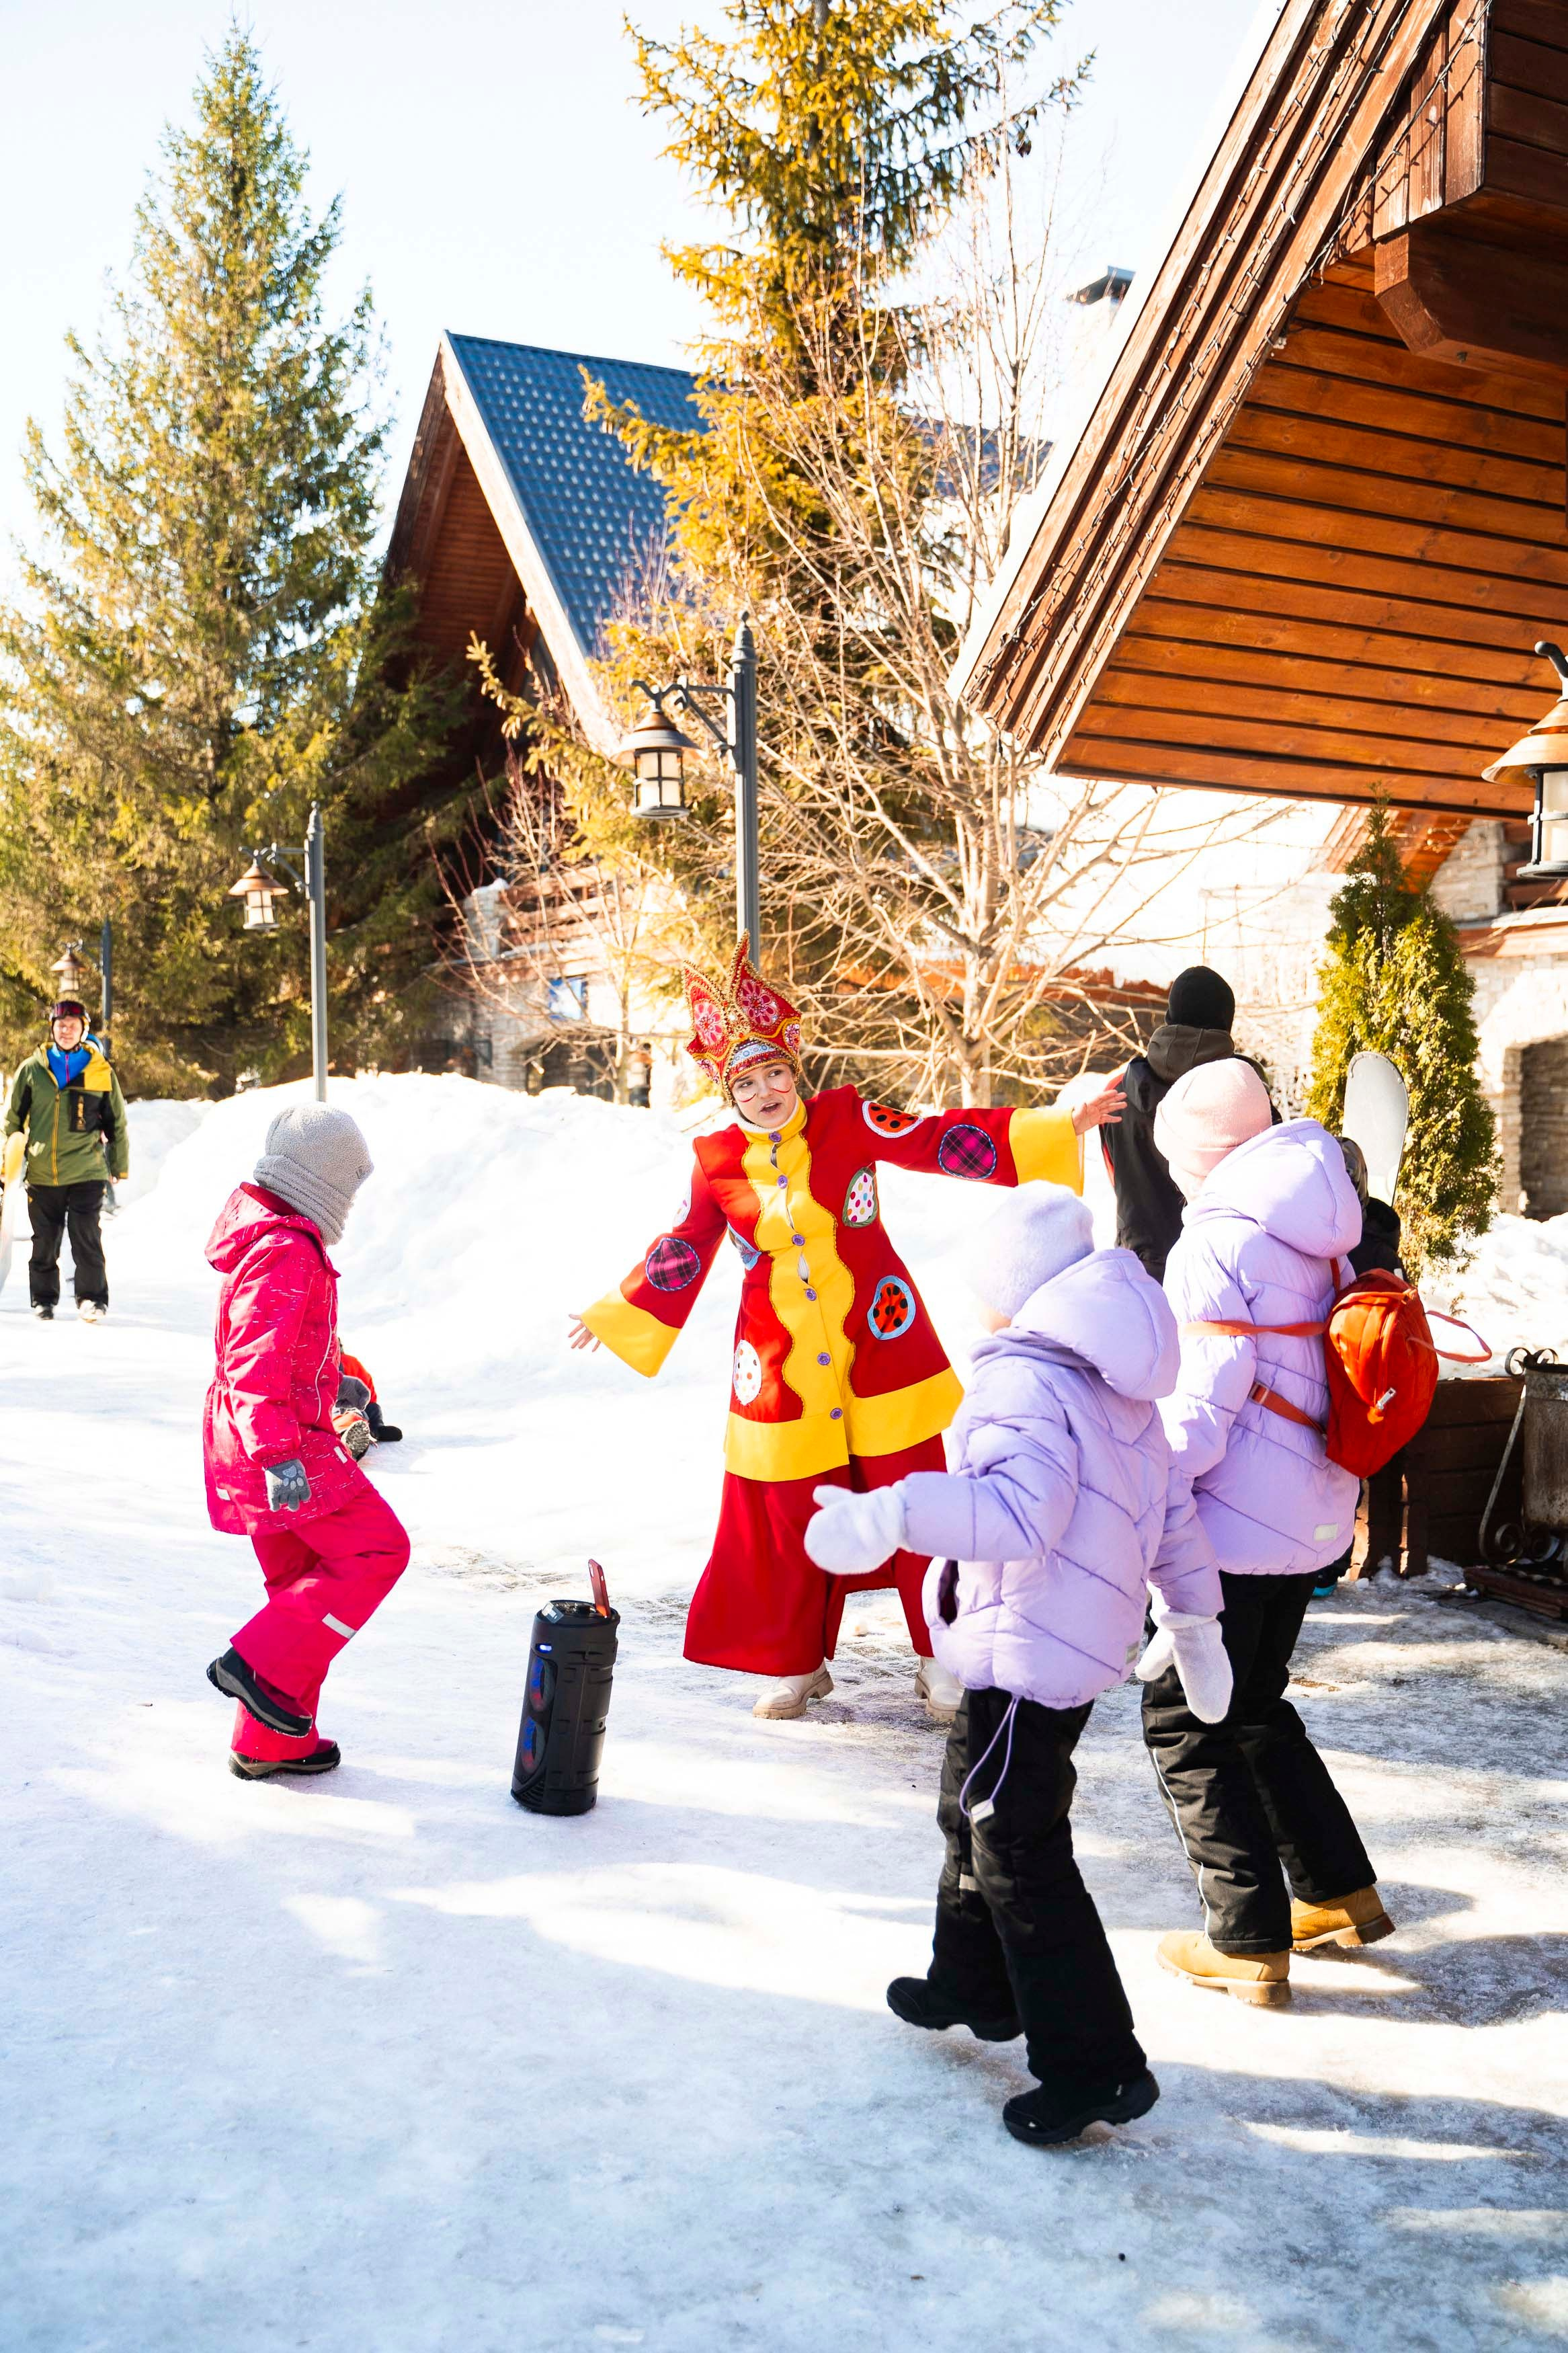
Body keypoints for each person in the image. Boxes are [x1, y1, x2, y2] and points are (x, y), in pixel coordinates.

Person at [569, 937, 1123, 1722]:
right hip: (776, 1370)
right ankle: (794, 1662)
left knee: (918, 1499)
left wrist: (1056, 1125)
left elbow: (937, 1137)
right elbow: (682, 1248)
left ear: (794, 1070)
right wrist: (615, 1310)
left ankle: (941, 1655)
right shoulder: (715, 1159)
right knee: (785, 1513)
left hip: (884, 1345)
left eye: (774, 1073)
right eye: (747, 1080)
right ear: (727, 1088)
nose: (765, 1090)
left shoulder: (847, 1117)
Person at [804, 1183, 1225, 2146]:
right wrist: (1194, 1619)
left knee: (1016, 1841)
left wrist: (895, 1513)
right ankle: (973, 1981)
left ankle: (1096, 2068)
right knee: (971, 1806)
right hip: (1063, 1637)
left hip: (1033, 1642)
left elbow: (1017, 1516)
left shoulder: (1025, 1377)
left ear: (1017, 1291)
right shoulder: (1110, 1376)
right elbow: (1170, 1516)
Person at [1141, 1060, 1395, 2006]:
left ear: (1200, 1157)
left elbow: (1201, 1408)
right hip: (1313, 1505)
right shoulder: (1323, 1213)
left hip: (1231, 1525)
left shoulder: (1216, 1238)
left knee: (1185, 1717)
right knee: (1253, 1705)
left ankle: (1245, 1941)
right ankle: (1337, 1891)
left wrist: (1146, 1490)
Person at [203, 1103, 410, 1781]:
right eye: (348, 1185)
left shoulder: (275, 1239)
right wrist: (279, 1456)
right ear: (321, 1177)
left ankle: (272, 1740)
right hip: (282, 1443)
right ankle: (254, 1663)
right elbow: (253, 1360)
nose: (348, 1202)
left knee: (300, 1583)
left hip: (270, 1439)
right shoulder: (285, 1248)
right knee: (379, 1548)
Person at [1102, 965, 1268, 1282]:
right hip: (1224, 1277)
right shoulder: (1249, 1097)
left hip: (1137, 1276)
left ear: (1170, 1014)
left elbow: (1115, 1177)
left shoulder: (1117, 1094)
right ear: (1225, 1023)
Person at [1313, 1137, 1407, 1598]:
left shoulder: (1355, 1245)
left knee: (1335, 1469)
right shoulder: (1377, 1241)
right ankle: (1325, 1565)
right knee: (1338, 1472)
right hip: (1352, 1374)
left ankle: (1325, 1566)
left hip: (1348, 1373)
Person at [4, 996, 128, 1322]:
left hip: (87, 1168)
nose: (67, 1030)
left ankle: (92, 1299)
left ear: (83, 1030)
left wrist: (118, 1164)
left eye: (73, 1026)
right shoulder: (32, 1069)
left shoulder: (100, 1071)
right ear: (53, 1029)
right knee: (45, 1240)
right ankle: (43, 1300)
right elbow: (11, 1121)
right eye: (61, 1025)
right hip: (43, 1171)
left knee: (85, 1233)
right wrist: (7, 1163)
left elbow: (116, 1121)